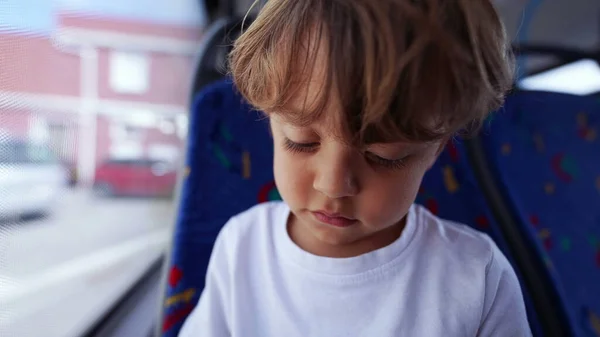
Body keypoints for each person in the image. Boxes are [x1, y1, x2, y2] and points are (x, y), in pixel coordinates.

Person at [179, 0, 532, 336]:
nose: (333, 185)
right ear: (271, 123)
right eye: (301, 141)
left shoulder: (476, 276)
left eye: (383, 155)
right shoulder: (241, 247)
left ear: (436, 149)